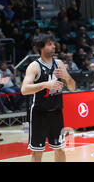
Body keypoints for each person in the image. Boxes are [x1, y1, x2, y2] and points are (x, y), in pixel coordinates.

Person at [21, 34, 76, 162]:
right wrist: (46, 84)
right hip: (39, 114)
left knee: (60, 149)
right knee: (37, 153)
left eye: (53, 43)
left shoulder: (59, 64)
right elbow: (24, 90)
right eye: (50, 44)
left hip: (56, 113)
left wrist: (67, 77)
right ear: (41, 47)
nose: (54, 46)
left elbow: (72, 87)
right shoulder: (34, 66)